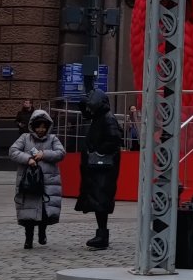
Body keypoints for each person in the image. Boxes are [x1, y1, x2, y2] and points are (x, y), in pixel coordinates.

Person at [9, 109, 65, 250]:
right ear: (33, 126)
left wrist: (44, 154)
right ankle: (28, 239)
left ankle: (42, 232)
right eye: (38, 126)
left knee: (45, 211)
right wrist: (28, 159)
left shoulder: (53, 139)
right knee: (28, 212)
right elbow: (13, 151)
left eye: (43, 127)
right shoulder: (24, 138)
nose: (41, 130)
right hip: (28, 182)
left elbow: (61, 153)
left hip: (47, 182)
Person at [75, 90, 122, 250]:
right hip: (98, 167)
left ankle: (102, 236)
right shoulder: (100, 117)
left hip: (103, 168)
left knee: (101, 200)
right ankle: (101, 234)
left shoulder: (107, 119)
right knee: (98, 200)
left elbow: (114, 140)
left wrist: (97, 152)